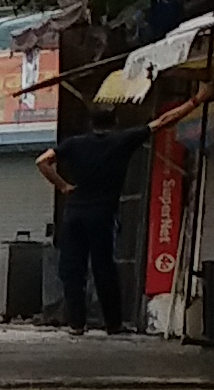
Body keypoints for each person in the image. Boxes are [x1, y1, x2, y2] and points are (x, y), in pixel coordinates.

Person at [41, 120, 141, 335]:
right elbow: (161, 122)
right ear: (114, 121)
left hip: (74, 214)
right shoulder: (121, 140)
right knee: (104, 268)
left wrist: (63, 186)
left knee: (72, 270)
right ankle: (113, 324)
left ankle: (77, 324)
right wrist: (196, 100)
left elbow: (42, 161)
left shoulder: (73, 144)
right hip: (102, 215)